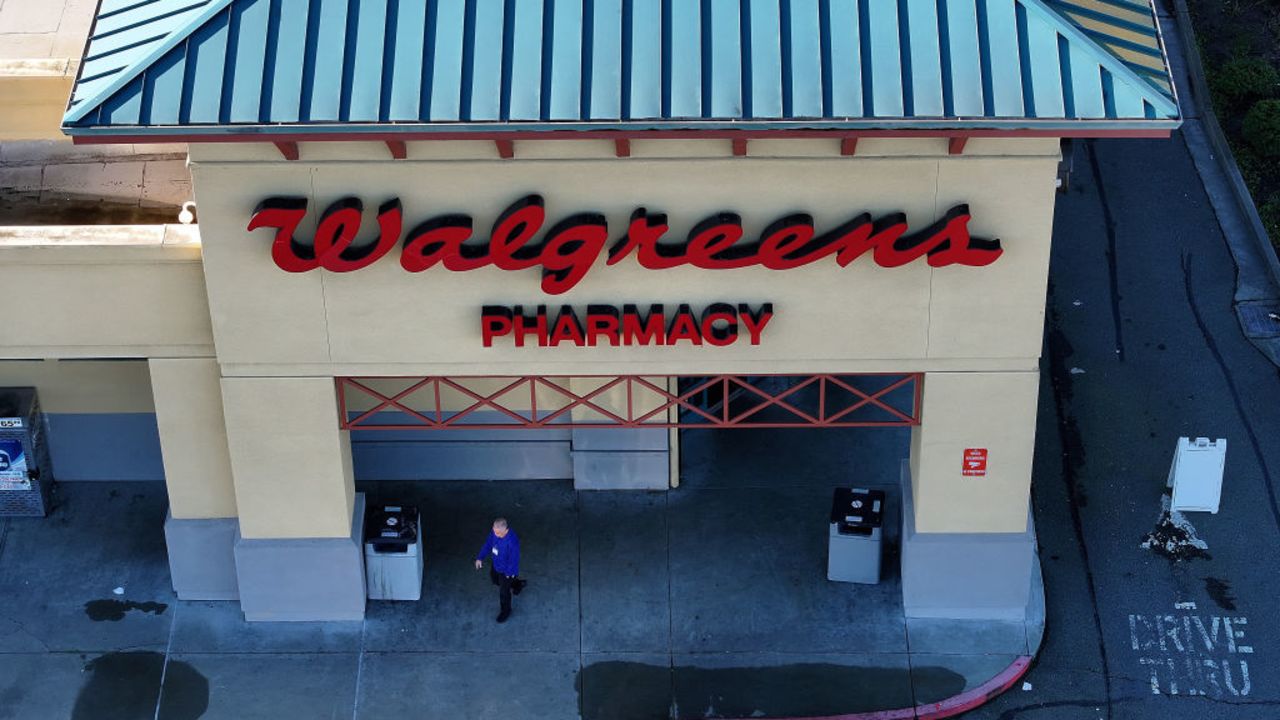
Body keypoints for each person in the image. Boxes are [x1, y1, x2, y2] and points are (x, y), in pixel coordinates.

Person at [474, 517, 525, 623]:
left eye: (498, 533)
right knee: (495, 580)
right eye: (494, 531)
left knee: (504, 592)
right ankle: (518, 584)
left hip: (507, 571)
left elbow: (514, 559)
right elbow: (488, 544)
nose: (496, 535)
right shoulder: (494, 533)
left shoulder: (512, 542)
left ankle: (506, 611)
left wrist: (509, 573)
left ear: (505, 530)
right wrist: (480, 558)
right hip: (496, 564)